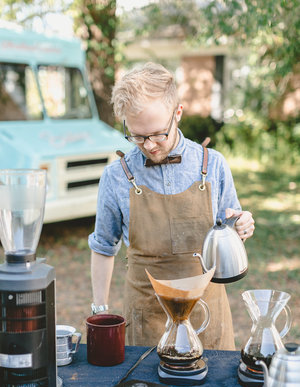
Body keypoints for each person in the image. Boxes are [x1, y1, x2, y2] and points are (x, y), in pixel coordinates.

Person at [88, 62, 255, 350]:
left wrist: (239, 226)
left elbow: (229, 227)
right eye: (137, 136)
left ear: (177, 113)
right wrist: (100, 310)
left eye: (157, 134)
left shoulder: (212, 164)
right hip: (146, 323)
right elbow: (103, 246)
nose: (149, 145)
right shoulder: (116, 176)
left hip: (208, 318)